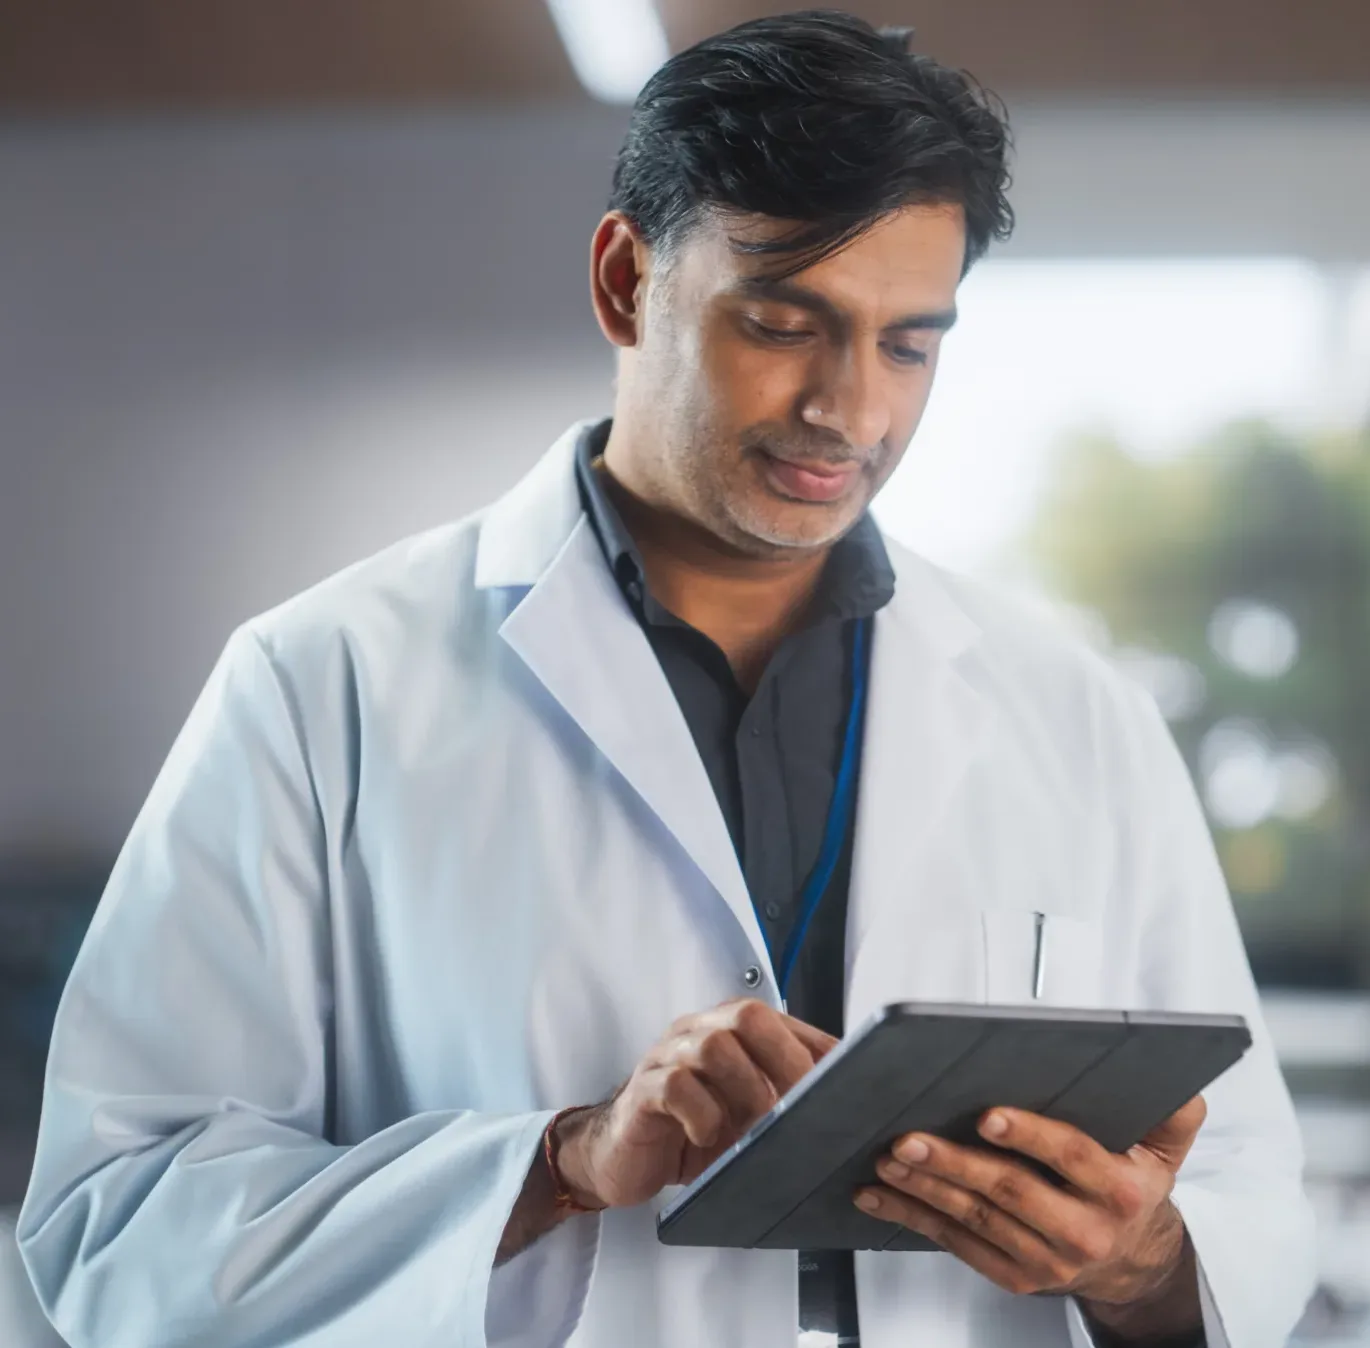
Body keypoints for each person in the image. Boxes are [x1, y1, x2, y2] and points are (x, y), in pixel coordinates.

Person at [18, 11, 1313, 1348]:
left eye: (907, 345)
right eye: (781, 322)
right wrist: (559, 1161)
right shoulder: (322, 686)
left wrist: (1137, 1257)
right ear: (625, 283)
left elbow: (1250, 1205)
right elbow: (116, 1229)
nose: (848, 410)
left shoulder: (1070, 711)